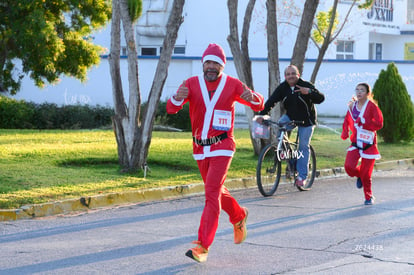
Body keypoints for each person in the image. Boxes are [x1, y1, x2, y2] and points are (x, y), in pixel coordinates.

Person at [166, 43, 264, 263]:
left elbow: (258, 103)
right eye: (208, 62)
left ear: (222, 65)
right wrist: (176, 97)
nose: (211, 66)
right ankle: (238, 215)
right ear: (203, 64)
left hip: (223, 146)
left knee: (211, 193)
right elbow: (171, 108)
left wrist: (251, 97)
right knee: (217, 191)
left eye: (216, 63)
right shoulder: (191, 83)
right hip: (201, 148)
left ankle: (203, 246)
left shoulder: (232, 84)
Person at [257, 64, 325, 187]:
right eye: (288, 74)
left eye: (293, 73)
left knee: (303, 146)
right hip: (290, 117)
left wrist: (308, 92)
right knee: (279, 127)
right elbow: (271, 101)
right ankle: (291, 157)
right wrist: (262, 115)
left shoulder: (305, 85)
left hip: (306, 121)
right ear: (285, 76)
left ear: (298, 75)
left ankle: (302, 176)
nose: (291, 76)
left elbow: (320, 98)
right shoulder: (283, 88)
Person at [341, 83, 383, 205]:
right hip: (355, 143)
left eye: (362, 90)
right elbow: (347, 120)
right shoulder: (352, 106)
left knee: (366, 174)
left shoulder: (372, 107)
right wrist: (345, 133)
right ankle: (359, 175)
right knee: (349, 167)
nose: (359, 92)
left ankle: (368, 197)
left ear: (368, 93)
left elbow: (379, 124)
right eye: (357, 90)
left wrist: (366, 123)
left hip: (369, 145)